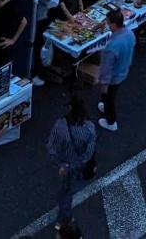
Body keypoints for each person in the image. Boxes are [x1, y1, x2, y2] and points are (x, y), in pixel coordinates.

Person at [48, 95, 97, 228]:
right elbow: (88, 153)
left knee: (66, 193)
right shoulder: (90, 128)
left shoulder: (60, 126)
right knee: (70, 189)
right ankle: (63, 218)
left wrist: (63, 165)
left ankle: (64, 219)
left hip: (67, 166)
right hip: (80, 165)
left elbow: (51, 149)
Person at [96, 9, 134, 131]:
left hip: (114, 77)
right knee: (111, 96)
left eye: (107, 23)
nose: (106, 24)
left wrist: (103, 85)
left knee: (108, 98)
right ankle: (106, 108)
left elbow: (106, 70)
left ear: (113, 24)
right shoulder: (130, 34)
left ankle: (111, 122)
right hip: (124, 71)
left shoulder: (112, 47)